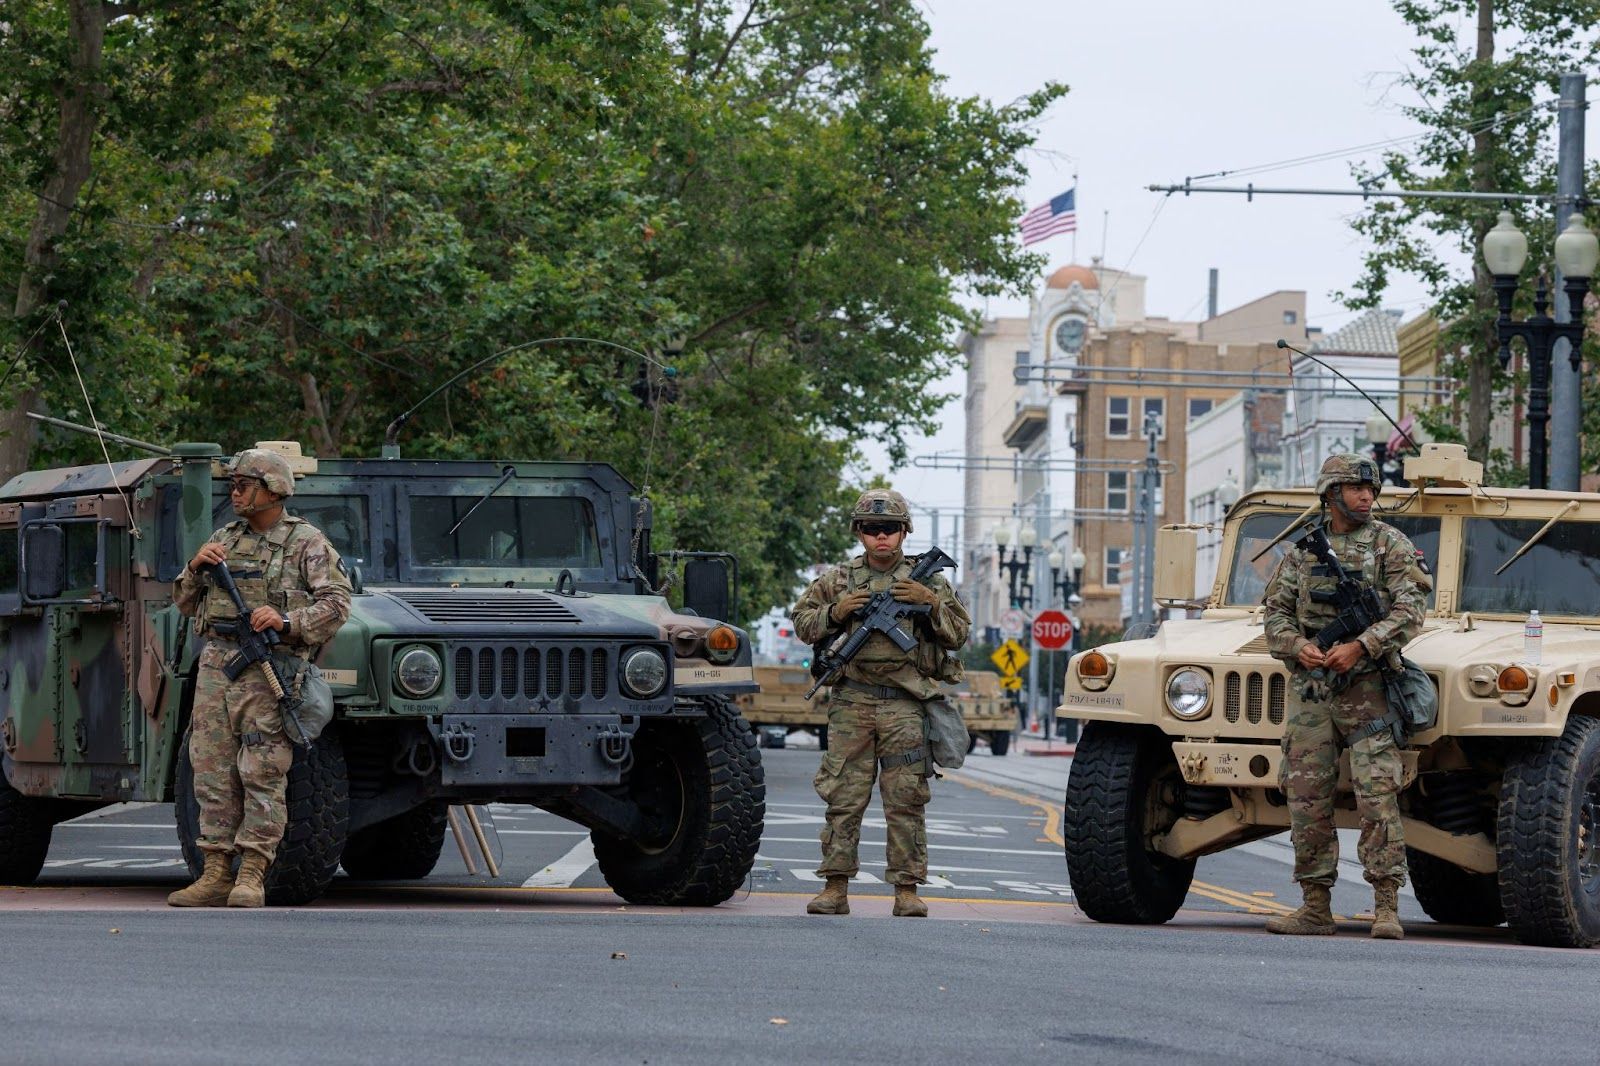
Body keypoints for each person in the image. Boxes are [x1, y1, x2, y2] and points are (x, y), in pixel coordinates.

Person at [167, 448, 353, 908]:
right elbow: (185, 602)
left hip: (269, 669)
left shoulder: (306, 542)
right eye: (233, 484)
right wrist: (194, 568)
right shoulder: (224, 538)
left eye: (244, 484)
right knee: (210, 769)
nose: (234, 492)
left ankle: (252, 873)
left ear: (273, 490)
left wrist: (286, 621)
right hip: (217, 665)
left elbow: (337, 604)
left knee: (262, 771)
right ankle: (214, 872)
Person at [1262, 453, 1429, 939]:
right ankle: (1315, 906)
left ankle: (1385, 906)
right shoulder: (1301, 554)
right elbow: (1275, 614)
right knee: (1306, 797)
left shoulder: (1389, 544)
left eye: (1370, 490)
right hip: (1313, 693)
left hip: (1369, 689)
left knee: (1378, 795)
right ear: (1331, 494)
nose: (1366, 497)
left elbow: (1411, 610)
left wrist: (1361, 645)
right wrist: (1301, 647)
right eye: (1356, 489)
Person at [791, 489, 971, 918]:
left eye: (889, 529)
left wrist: (929, 605)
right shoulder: (837, 581)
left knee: (905, 797)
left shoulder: (928, 581)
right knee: (843, 795)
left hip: (905, 702)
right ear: (859, 533)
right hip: (852, 699)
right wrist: (837, 612)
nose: (881, 538)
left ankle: (906, 890)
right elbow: (802, 623)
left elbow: (958, 635)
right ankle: (835, 887)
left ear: (904, 532)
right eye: (871, 530)